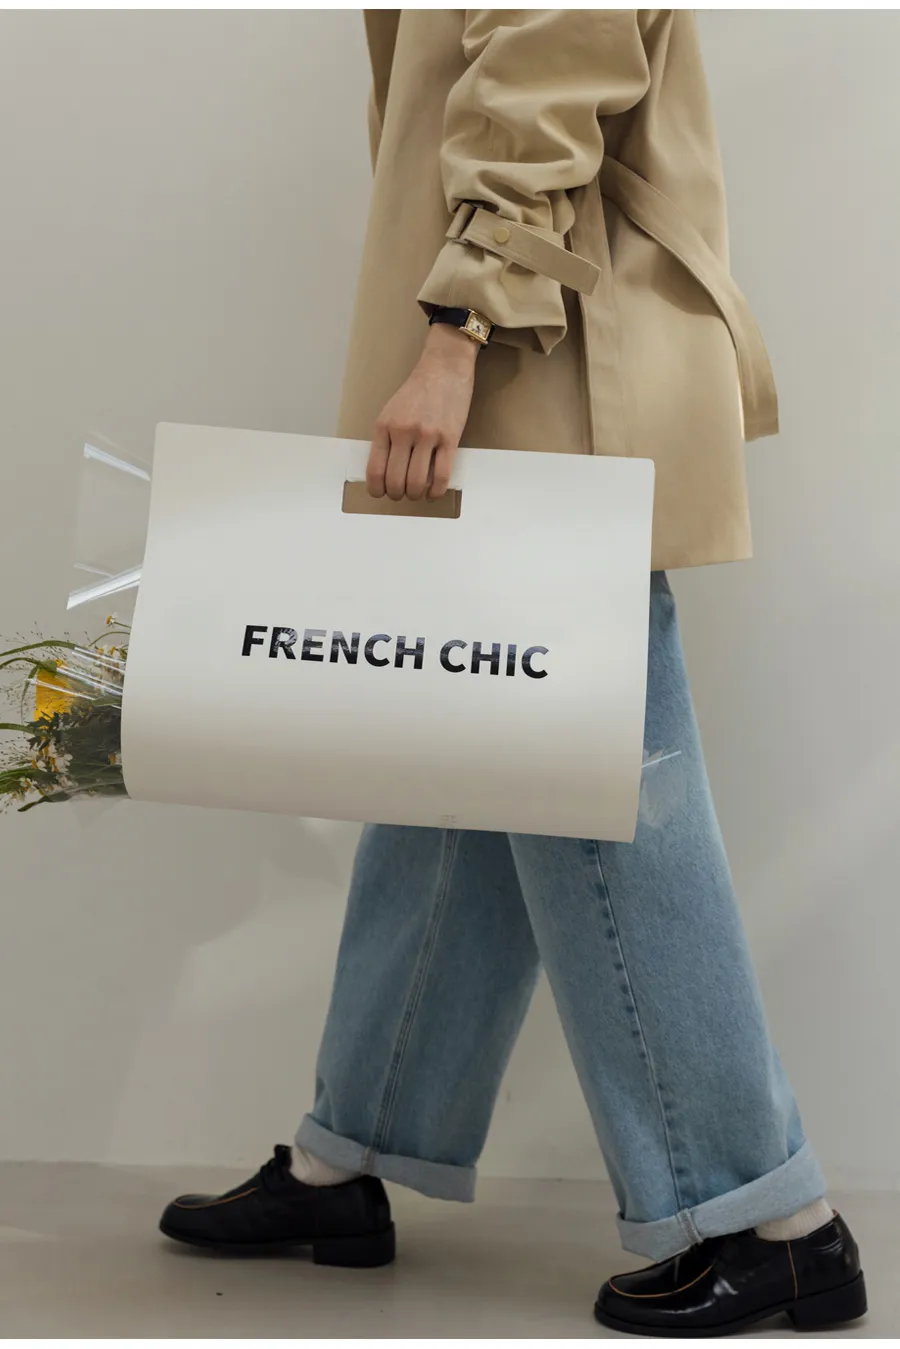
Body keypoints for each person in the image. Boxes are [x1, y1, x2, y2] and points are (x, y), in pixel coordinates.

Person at [158, 10, 867, 1336]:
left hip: (537, 351)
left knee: (606, 799)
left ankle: (773, 1221)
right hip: (523, 348)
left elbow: (550, 75)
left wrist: (455, 333)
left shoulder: (479, 331)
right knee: (455, 761)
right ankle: (348, 1157)